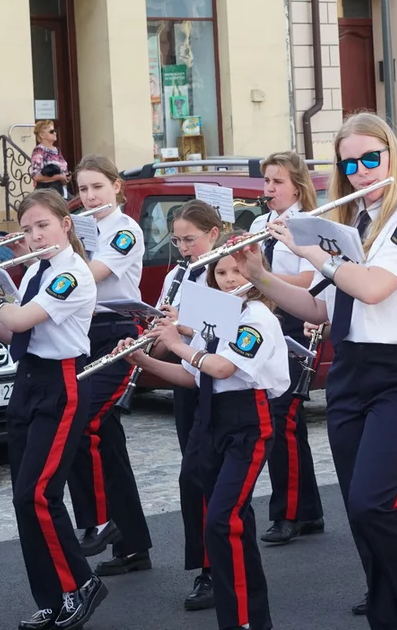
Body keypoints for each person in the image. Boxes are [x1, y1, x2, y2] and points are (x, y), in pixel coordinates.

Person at [233, 111, 397, 630]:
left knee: (380, 502)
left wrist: (308, 248)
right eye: (349, 162)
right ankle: (387, 614)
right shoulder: (353, 222)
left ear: (391, 157)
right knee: (360, 510)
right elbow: (320, 310)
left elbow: (373, 287)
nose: (360, 171)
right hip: (353, 370)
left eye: (370, 159)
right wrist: (259, 273)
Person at [119, 235, 287, 630]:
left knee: (222, 521)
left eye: (238, 271)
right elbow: (192, 377)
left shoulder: (259, 317)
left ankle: (242, 620)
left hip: (248, 421)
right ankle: (249, 620)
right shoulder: (219, 320)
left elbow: (223, 369)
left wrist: (177, 341)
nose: (230, 280)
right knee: (231, 523)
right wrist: (140, 357)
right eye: (222, 273)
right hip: (212, 420)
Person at [0, 189, 107, 629]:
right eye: (28, 229)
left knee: (39, 494)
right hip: (29, 381)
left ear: (65, 225)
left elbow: (16, 320)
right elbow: (7, 332)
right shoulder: (37, 272)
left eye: (43, 226)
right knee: (23, 499)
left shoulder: (70, 274)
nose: (35, 237)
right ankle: (52, 598)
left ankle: (82, 584)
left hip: (61, 384)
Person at [64, 155, 154, 574]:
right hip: (84, 334)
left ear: (116, 186)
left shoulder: (124, 230)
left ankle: (99, 522)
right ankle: (132, 545)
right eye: (82, 190)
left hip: (117, 331)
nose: (89, 196)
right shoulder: (81, 230)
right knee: (109, 445)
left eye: (97, 187)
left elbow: (90, 275)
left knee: (83, 421)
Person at [249, 151, 325, 545]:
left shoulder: (309, 224)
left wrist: (262, 279)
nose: (269, 189)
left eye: (277, 182)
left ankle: (290, 512)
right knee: (279, 424)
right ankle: (307, 510)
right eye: (266, 182)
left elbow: (312, 278)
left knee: (284, 422)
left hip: (297, 321)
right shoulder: (261, 222)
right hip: (266, 324)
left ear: (296, 184)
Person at [155, 199, 224, 611]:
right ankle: (205, 565)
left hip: (219, 381)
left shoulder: (225, 272)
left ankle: (223, 566)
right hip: (187, 379)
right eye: (178, 240)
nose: (183, 248)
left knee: (211, 475)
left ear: (213, 234)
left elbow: (224, 327)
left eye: (190, 239)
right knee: (192, 475)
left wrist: (181, 328)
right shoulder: (178, 274)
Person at [30, 120, 70, 195]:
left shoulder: (57, 150)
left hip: (61, 190)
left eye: (55, 131)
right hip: (46, 193)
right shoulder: (39, 151)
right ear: (42, 135)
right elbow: (36, 176)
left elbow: (63, 170)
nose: (55, 133)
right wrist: (59, 177)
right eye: (51, 131)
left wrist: (66, 177)